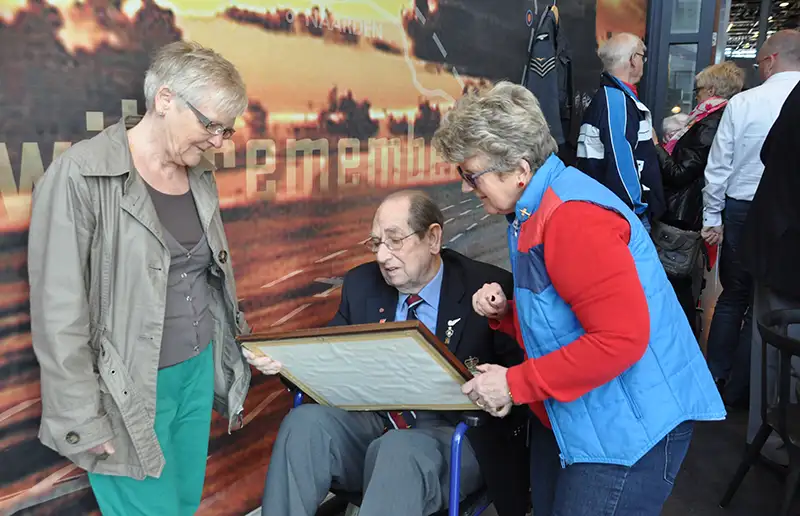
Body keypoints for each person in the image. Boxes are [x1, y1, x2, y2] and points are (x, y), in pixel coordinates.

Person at [432, 81, 725, 516]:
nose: (464, 187)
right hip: (586, 416)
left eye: (470, 174)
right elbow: (568, 309)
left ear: (518, 168)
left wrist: (513, 384)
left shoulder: (571, 218)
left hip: (627, 429)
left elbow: (620, 340)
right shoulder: (534, 206)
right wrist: (509, 315)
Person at [27, 41, 252, 515]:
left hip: (194, 370)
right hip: (126, 385)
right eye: (210, 125)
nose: (217, 142)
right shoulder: (79, 176)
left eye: (226, 131)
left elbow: (209, 276)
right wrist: (80, 418)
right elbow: (58, 313)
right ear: (165, 100)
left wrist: (234, 348)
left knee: (184, 502)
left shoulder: (198, 175)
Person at [245, 190, 530, 516]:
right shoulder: (361, 284)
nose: (382, 255)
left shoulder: (488, 286)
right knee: (304, 424)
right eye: (376, 243)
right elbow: (329, 357)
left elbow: (518, 385)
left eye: (394, 241)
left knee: (398, 449)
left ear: (433, 239)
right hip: (373, 425)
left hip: (456, 436)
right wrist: (288, 365)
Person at [701, 30, 800, 406]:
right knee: (773, 308)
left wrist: (712, 217)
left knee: (733, 298)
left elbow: (718, 167)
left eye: (758, 62)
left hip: (743, 209)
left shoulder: (743, 104)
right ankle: (749, 392)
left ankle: (715, 381)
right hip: (789, 217)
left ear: (771, 60)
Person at [654, 62, 745, 335]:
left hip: (681, 217)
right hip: (690, 213)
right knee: (681, 287)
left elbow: (680, 173)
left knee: (674, 287)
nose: (696, 97)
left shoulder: (708, 124)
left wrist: (654, 146)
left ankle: (681, 347)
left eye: (699, 91)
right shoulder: (720, 118)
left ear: (712, 90)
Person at [741, 77, 800, 462]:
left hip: (776, 231)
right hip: (787, 242)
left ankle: (768, 442)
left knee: (773, 349)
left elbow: (767, 152)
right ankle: (780, 446)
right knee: (785, 351)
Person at [576, 32, 665, 231]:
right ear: (633, 60)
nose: (644, 62)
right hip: (625, 215)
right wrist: (635, 211)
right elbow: (620, 161)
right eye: (642, 56)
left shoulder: (612, 97)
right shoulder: (616, 101)